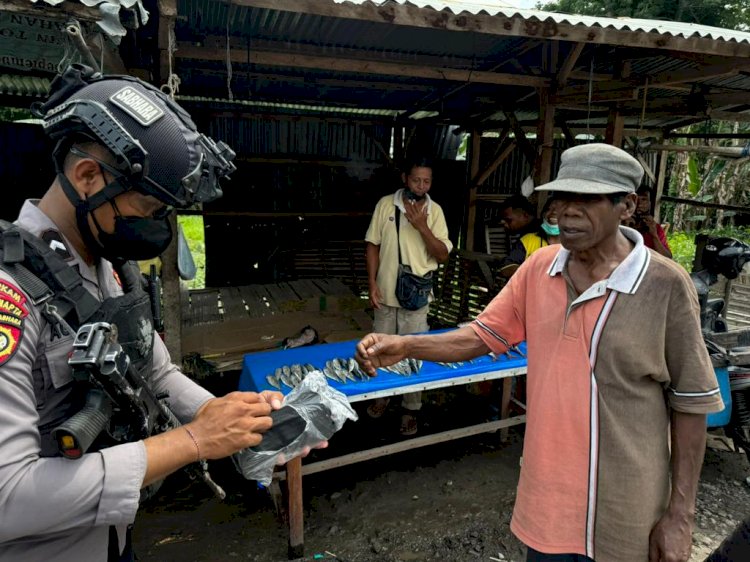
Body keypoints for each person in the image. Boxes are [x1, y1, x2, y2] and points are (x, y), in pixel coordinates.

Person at [0, 65, 311, 561]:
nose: (155, 230)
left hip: (113, 539)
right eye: (147, 211)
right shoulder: (10, 296)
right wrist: (194, 439)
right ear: (87, 177)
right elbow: (8, 497)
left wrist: (219, 414)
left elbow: (156, 369)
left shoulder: (111, 270)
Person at [356, 143, 723, 562]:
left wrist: (681, 515)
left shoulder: (664, 286)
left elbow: (692, 402)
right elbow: (479, 337)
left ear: (627, 206)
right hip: (548, 502)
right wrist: (405, 345)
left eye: (586, 199)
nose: (566, 211)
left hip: (628, 511)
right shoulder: (538, 269)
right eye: (563, 197)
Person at [364, 155, 452, 436]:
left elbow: (442, 255)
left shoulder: (435, 211)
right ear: (405, 178)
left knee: (413, 353)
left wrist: (422, 226)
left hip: (416, 297)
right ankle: (381, 396)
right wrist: (372, 283)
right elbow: (373, 245)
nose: (421, 185)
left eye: (427, 181)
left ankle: (410, 409)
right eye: (416, 180)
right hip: (386, 294)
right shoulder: (385, 205)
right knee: (380, 350)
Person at [499, 195, 560, 278]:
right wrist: (532, 273)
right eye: (548, 209)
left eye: (561, 210)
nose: (553, 213)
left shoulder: (578, 246)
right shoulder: (529, 240)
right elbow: (507, 267)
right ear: (543, 214)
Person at [633, 185, 672, 258]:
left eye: (644, 199)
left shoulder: (655, 228)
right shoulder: (622, 223)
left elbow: (668, 257)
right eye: (636, 199)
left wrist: (654, 236)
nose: (639, 204)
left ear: (650, 204)